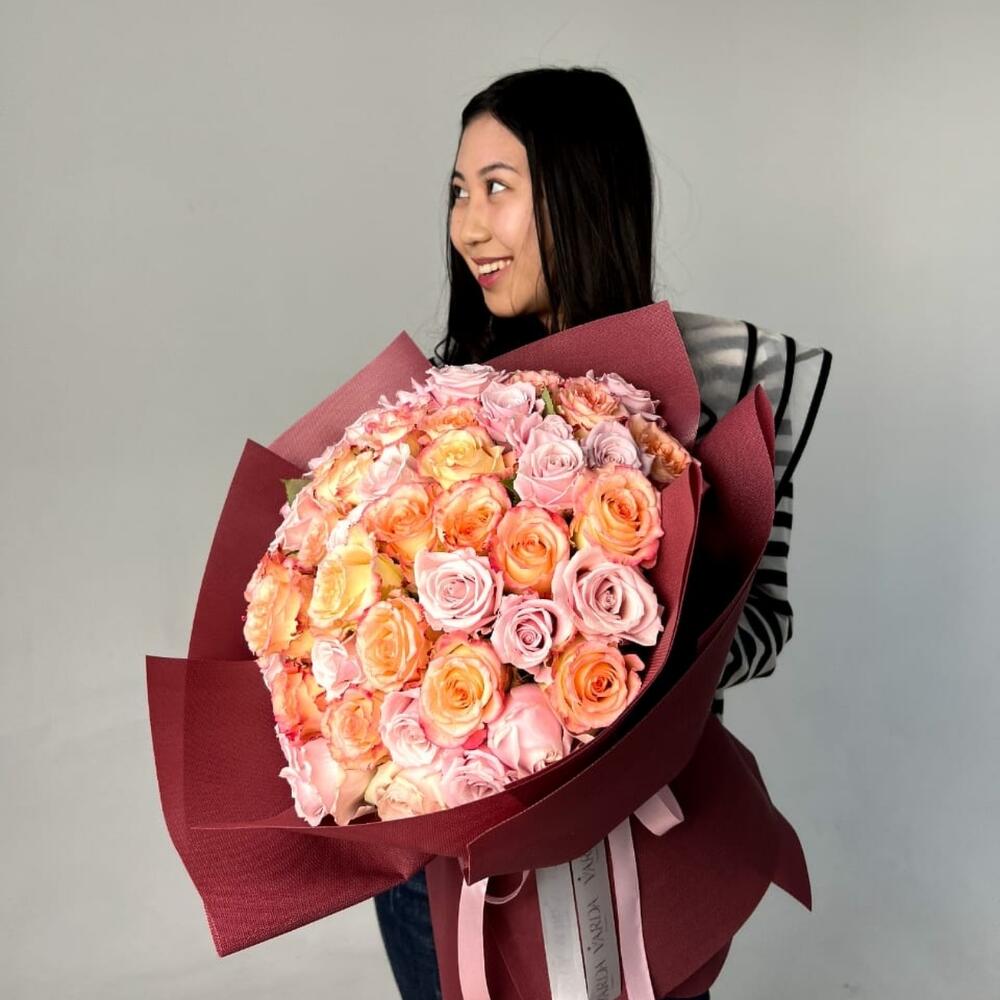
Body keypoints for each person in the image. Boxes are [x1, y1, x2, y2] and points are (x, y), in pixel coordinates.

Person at [374, 66, 832, 1000]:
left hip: (647, 851)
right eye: (458, 192)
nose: (468, 227)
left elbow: (766, 621)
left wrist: (627, 660)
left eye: (497, 188)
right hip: (457, 872)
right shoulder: (439, 408)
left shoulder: (726, 381)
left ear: (582, 191)